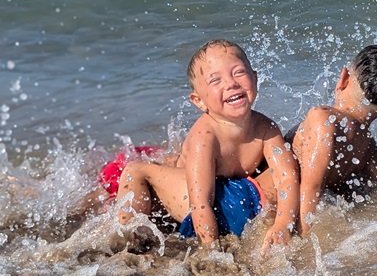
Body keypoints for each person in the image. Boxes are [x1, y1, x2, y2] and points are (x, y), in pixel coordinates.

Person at [115, 39, 300, 252]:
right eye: (215, 81)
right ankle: (126, 237)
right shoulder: (205, 137)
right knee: (137, 170)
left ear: (255, 79)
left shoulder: (266, 128)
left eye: (239, 72)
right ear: (199, 101)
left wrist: (283, 224)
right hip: (188, 195)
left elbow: (287, 177)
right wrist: (212, 251)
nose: (231, 83)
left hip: (223, 188)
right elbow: (200, 203)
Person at [256, 44, 377, 236]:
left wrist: (303, 238)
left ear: (343, 78)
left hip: (255, 201)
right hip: (274, 211)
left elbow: (311, 188)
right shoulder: (367, 146)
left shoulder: (323, 120)